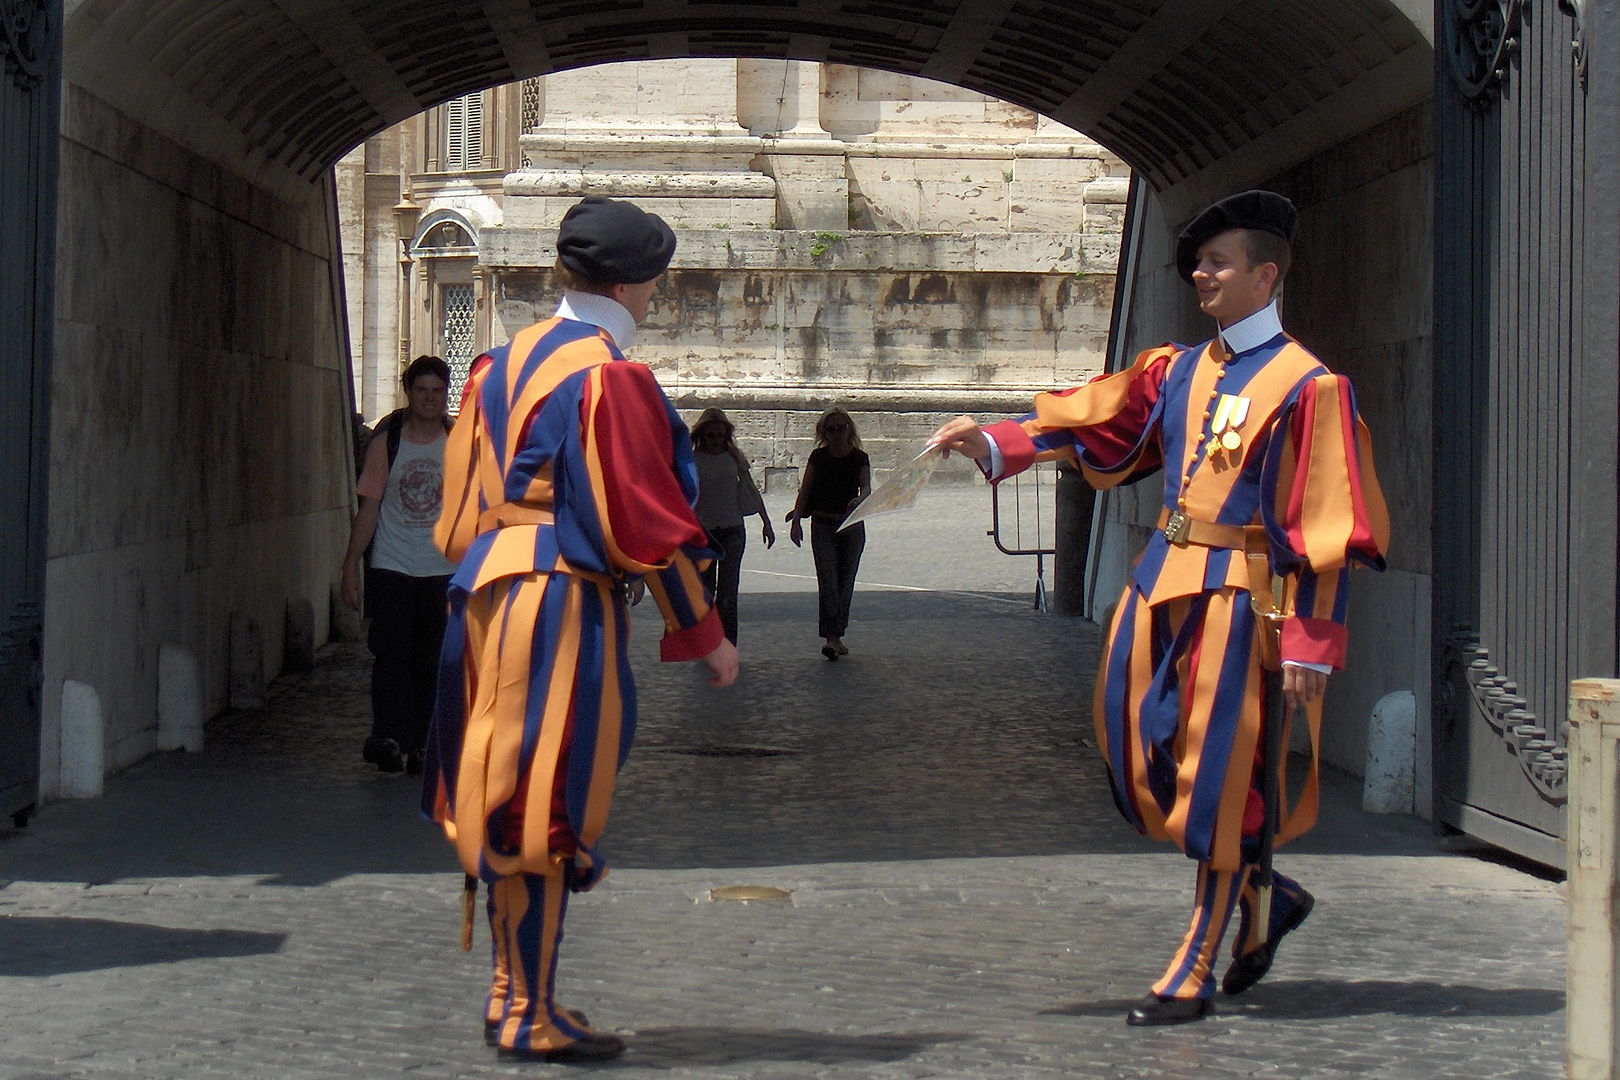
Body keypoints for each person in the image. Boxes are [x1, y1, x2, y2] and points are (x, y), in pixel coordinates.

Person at [931, 190, 1389, 1026]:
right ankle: (1265, 890)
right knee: (1133, 752)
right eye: (1198, 263)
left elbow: (1324, 525)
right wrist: (993, 437)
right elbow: (1093, 420)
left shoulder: (1311, 386)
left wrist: (1312, 644)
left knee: (1218, 782)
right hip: (1160, 584)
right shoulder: (1177, 367)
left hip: (1243, 603)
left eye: (1218, 263)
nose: (1201, 276)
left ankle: (1197, 961)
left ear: (1266, 274)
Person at [422, 196, 739, 1064]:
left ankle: (508, 992)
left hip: (482, 593)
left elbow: (455, 516)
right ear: (643, 285)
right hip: (556, 602)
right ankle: (530, 1013)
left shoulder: (496, 363)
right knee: (543, 805)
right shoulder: (608, 374)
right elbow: (645, 517)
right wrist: (702, 631)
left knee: (499, 794)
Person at [340, 355, 456, 774]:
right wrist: (351, 565)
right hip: (392, 566)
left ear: (446, 394)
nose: (429, 399)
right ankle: (388, 735)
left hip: (442, 568)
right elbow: (368, 509)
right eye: (421, 390)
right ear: (409, 394)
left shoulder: (460, 444)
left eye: (437, 391)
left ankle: (424, 742)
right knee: (390, 655)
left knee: (432, 658)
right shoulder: (387, 444)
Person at [784, 407, 871, 660]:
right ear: (824, 432)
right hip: (822, 524)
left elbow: (866, 488)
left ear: (849, 429)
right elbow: (806, 490)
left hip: (851, 525)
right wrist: (797, 520)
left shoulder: (859, 457)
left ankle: (838, 633)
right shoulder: (818, 457)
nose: (836, 434)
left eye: (840, 428)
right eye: (830, 429)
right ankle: (832, 638)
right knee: (829, 582)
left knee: (845, 582)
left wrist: (859, 499)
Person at [691, 407, 775, 644]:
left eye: (720, 436)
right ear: (702, 436)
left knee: (729, 591)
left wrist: (766, 522)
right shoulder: (693, 460)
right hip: (704, 531)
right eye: (711, 436)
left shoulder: (735, 457)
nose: (716, 441)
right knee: (706, 590)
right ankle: (708, 640)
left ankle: (727, 642)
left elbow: (750, 489)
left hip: (733, 529)